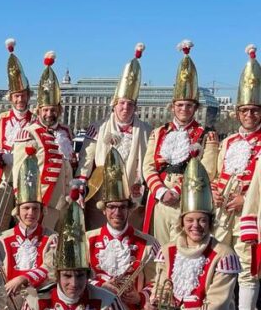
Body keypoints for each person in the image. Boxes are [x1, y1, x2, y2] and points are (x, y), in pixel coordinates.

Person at [139, 158, 253, 310]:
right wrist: (150, 301)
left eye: (202, 220)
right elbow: (156, 285)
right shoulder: (169, 250)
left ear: (210, 222)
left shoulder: (224, 255)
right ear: (182, 222)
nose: (196, 226)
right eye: (190, 220)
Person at [142, 40, 218, 245]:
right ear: (173, 107)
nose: (184, 109)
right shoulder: (159, 133)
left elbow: (208, 171)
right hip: (160, 198)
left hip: (187, 200)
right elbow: (148, 166)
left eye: (189, 105)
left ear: (195, 108)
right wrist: (160, 191)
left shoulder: (205, 135)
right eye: (180, 105)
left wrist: (176, 190)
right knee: (158, 249)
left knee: (184, 250)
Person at [86, 149, 158, 310]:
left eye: (122, 208)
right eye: (112, 207)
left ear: (129, 209)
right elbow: (76, 277)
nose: (117, 213)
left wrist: (140, 297)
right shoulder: (88, 239)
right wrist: (99, 285)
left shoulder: (148, 242)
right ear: (104, 210)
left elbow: (155, 281)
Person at [79, 43, 151, 230]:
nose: (125, 108)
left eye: (129, 104)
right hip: (101, 196)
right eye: (121, 103)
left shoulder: (146, 131)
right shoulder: (98, 127)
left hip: (131, 196)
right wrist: (79, 183)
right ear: (114, 104)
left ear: (135, 107)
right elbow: (86, 158)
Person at [221, 45, 261, 310]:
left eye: (254, 110)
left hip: (250, 214)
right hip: (224, 214)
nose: (249, 115)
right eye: (245, 110)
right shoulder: (228, 141)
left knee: (248, 268)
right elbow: (221, 174)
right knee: (224, 263)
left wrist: (244, 199)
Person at [0, 147, 57, 310]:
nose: (30, 213)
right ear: (18, 210)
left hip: (37, 297)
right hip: (8, 299)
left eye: (35, 209)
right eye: (26, 208)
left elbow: (50, 269)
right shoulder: (2, 239)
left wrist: (22, 278)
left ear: (41, 211)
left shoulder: (51, 237)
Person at [11, 51, 74, 230]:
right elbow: (19, 171)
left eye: (53, 109)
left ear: (59, 110)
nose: (49, 114)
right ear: (39, 110)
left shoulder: (66, 132)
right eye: (45, 110)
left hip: (64, 203)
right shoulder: (29, 133)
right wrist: (24, 200)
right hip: (40, 203)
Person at [0, 39, 33, 234]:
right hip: (5, 177)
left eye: (23, 95)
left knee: (25, 222)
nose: (20, 99)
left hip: (28, 178)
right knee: (1, 219)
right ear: (11, 97)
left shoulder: (35, 119)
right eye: (16, 96)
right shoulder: (2, 119)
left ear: (28, 96)